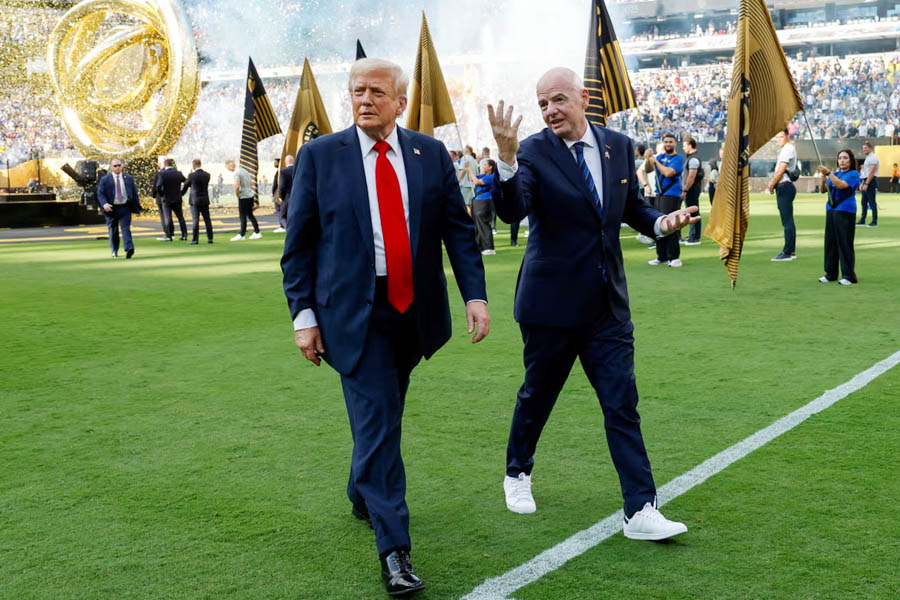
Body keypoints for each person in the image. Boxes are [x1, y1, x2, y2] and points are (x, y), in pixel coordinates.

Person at [281, 57, 490, 597]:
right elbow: (298, 247)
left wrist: (475, 296)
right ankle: (395, 551)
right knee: (377, 417)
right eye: (357, 91)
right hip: (352, 314)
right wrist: (304, 318)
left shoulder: (429, 153)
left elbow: (457, 231)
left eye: (377, 91)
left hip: (413, 311)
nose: (365, 99)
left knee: (385, 412)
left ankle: (362, 491)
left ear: (400, 102)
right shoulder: (321, 156)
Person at [487, 66, 696, 541]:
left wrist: (661, 224)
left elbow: (631, 207)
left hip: (607, 306)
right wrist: (506, 159)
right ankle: (517, 472)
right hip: (550, 304)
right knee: (538, 396)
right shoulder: (532, 151)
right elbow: (512, 209)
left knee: (622, 404)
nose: (550, 110)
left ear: (583, 98)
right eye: (542, 104)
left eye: (558, 100)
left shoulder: (617, 146)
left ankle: (640, 509)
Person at [817, 150, 860, 285]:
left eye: (845, 158)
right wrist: (823, 179)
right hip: (831, 210)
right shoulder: (835, 174)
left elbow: (841, 185)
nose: (841, 160)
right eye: (840, 158)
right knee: (830, 242)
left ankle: (849, 276)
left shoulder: (853, 174)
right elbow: (823, 190)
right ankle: (830, 274)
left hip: (845, 210)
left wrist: (828, 173)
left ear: (850, 161)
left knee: (844, 243)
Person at [646, 133, 684, 267]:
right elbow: (648, 169)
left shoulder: (678, 159)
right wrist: (648, 158)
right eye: (666, 142)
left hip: (671, 195)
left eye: (670, 142)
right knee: (658, 225)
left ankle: (674, 257)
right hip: (659, 195)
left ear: (675, 143)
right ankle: (661, 256)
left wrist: (655, 161)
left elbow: (668, 173)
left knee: (670, 225)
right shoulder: (660, 157)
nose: (668, 144)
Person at [97, 158, 141, 259]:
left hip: (124, 207)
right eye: (115, 166)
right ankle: (114, 250)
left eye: (119, 165)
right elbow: (100, 193)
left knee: (126, 228)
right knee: (113, 230)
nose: (117, 167)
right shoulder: (105, 179)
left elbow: (134, 193)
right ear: (111, 167)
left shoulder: (128, 178)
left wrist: (137, 207)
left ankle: (129, 248)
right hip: (111, 208)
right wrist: (105, 204)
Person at [766, 129, 798, 261]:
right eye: (777, 137)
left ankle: (787, 252)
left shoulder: (787, 149)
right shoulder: (787, 148)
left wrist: (771, 184)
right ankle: (791, 251)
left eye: (781, 137)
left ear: (787, 136)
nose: (778, 139)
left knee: (787, 222)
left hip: (784, 186)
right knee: (788, 221)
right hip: (785, 186)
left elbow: (781, 169)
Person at [226, 159, 262, 241]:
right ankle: (257, 232)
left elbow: (237, 186)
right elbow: (251, 183)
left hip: (243, 196)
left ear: (230, 165)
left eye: (227, 168)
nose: (228, 170)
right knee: (250, 215)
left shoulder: (237, 173)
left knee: (242, 216)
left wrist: (237, 195)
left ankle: (242, 234)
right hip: (250, 195)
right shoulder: (244, 170)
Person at [181, 158, 213, 244]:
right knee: (207, 219)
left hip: (195, 200)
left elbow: (186, 185)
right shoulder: (207, 175)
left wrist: (181, 194)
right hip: (205, 199)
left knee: (195, 220)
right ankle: (210, 238)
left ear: (193, 165)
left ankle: (195, 239)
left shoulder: (191, 175)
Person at [155, 158, 188, 241]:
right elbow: (186, 182)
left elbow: (158, 186)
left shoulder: (162, 174)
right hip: (177, 198)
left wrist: (161, 194)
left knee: (168, 218)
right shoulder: (178, 173)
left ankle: (169, 235)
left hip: (166, 198)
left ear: (165, 164)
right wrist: (182, 192)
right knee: (180, 217)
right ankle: (184, 234)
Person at [469, 158, 497, 254]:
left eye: (485, 165)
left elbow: (477, 182)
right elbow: (472, 178)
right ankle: (479, 246)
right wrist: (468, 170)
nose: (483, 167)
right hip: (477, 201)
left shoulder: (492, 176)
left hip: (485, 201)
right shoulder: (484, 175)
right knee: (476, 224)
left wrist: (469, 170)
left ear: (491, 167)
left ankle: (489, 247)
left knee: (483, 223)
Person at [680, 137, 704, 245]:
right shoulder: (691, 158)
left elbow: (691, 177)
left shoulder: (693, 159)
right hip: (691, 189)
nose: (683, 148)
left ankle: (695, 237)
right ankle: (692, 235)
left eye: (684, 146)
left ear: (690, 146)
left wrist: (685, 190)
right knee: (691, 211)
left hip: (691, 189)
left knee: (693, 211)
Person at [857, 141, 879, 227]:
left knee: (871, 201)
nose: (864, 150)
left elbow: (872, 172)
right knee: (864, 201)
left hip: (871, 181)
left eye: (865, 148)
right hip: (866, 180)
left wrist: (866, 183)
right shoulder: (868, 157)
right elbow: (866, 172)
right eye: (863, 148)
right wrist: (863, 183)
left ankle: (874, 221)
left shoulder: (873, 158)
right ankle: (862, 220)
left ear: (870, 148)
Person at [276, 154, 294, 232]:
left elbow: (282, 186)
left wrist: (281, 196)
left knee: (282, 216)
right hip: (297, 197)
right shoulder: (298, 170)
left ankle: (289, 230)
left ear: (285, 162)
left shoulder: (283, 172)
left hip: (287, 197)